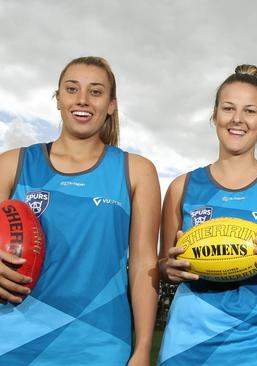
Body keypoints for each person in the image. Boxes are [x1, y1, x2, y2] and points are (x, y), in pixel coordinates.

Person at [0, 56, 160, 365]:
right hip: (12, 340)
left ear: (111, 104)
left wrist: (142, 349)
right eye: (72, 89)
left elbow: (143, 265)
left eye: (96, 91)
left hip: (100, 343)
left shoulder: (136, 171)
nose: (82, 99)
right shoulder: (11, 164)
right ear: (58, 98)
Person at [157, 64, 257, 365]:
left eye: (250, 111)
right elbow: (164, 265)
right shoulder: (182, 186)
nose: (237, 119)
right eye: (228, 108)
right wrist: (170, 268)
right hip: (189, 344)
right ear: (215, 114)